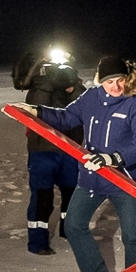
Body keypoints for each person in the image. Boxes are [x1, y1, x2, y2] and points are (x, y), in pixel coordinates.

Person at [9, 56, 136, 272]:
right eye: (110, 81)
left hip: (125, 179)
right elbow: (66, 118)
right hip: (93, 177)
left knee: (131, 233)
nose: (116, 86)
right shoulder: (91, 98)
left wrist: (115, 158)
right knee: (75, 225)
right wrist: (35, 110)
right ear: (101, 81)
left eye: (120, 80)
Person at [13, 55, 86, 255]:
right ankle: (38, 243)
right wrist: (47, 83)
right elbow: (36, 108)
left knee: (71, 195)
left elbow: (85, 108)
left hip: (70, 150)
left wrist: (73, 85)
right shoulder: (39, 88)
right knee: (42, 198)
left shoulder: (75, 88)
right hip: (43, 151)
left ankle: (68, 231)